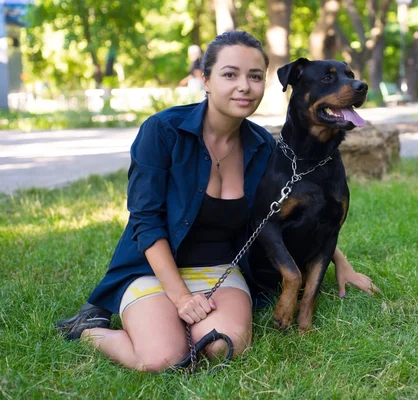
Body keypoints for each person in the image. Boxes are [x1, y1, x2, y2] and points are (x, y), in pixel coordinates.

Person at [55, 31, 380, 373]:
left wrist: (340, 262)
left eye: (254, 76)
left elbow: (285, 211)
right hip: (152, 271)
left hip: (221, 273)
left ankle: (171, 325)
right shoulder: (163, 131)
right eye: (230, 74)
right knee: (162, 359)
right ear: (205, 79)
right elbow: (145, 222)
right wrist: (180, 297)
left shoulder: (265, 148)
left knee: (222, 347)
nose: (244, 86)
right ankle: (92, 331)